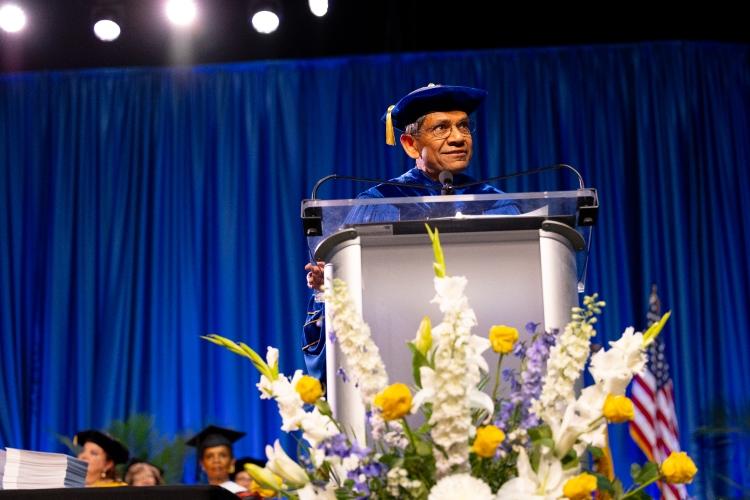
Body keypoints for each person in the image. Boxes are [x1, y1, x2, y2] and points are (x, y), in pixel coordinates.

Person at [302, 84, 519, 380]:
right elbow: (356, 289)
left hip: (483, 357)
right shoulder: (381, 202)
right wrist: (332, 285)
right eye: (442, 127)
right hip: (397, 358)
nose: (457, 138)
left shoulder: (495, 202)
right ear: (409, 144)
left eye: (464, 126)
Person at [186, 425, 247, 494]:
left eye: (222, 455)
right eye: (209, 456)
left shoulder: (242, 494)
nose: (216, 460)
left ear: (232, 462)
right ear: (202, 464)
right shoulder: (195, 495)